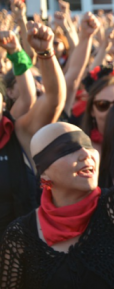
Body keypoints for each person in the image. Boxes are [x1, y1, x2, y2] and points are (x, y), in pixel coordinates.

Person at [0, 101, 114, 289]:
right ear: (44, 174)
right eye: (67, 149)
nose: (85, 154)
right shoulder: (20, 236)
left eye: (88, 145)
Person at [0, 22, 67, 237]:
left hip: (27, 257)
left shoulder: (16, 133)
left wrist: (45, 53)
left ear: (3, 102)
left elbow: (53, 98)